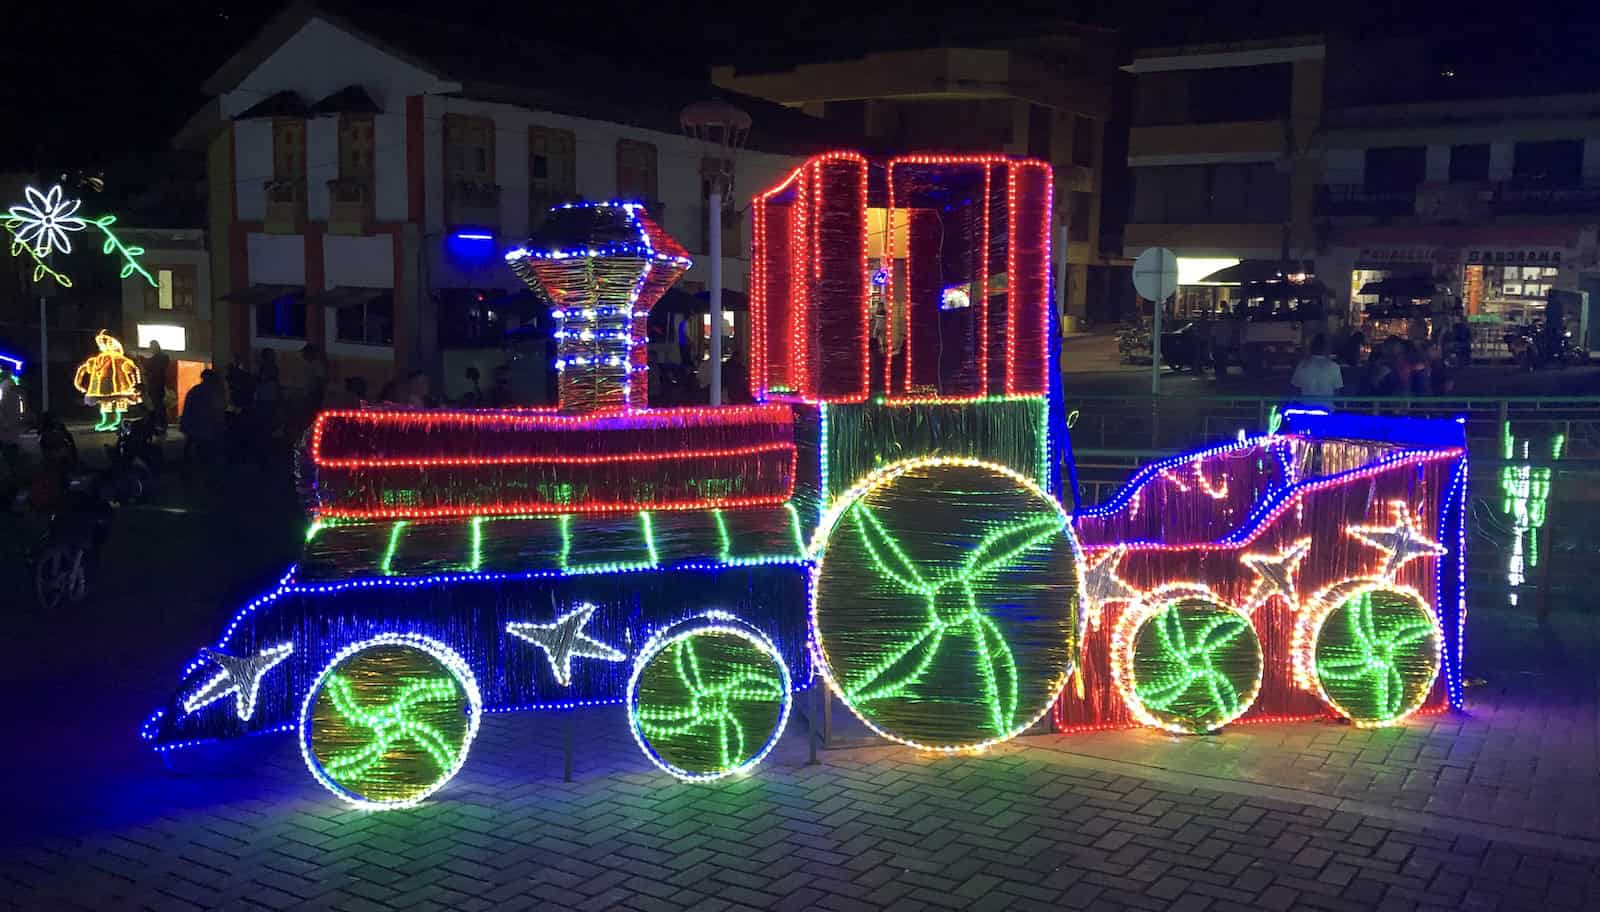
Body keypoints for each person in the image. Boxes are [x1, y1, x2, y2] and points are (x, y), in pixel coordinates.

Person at [180, 368, 226, 483]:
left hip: (196, 427)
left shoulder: (195, 391)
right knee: (205, 452)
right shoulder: (214, 392)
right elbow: (218, 411)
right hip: (206, 428)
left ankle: (191, 473)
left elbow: (188, 410)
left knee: (195, 448)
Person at [1290, 334, 1343, 405]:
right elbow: (1337, 392)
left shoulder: (1302, 365)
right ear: (1327, 348)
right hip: (1326, 408)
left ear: (1312, 348)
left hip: (1306, 407)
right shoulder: (1334, 367)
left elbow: (1295, 389)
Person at [0, 363, 23, 475]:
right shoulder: (12, 385)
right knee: (12, 448)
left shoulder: (4, 387)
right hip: (13, 423)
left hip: (5, 424)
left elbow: (2, 404)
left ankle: (11, 473)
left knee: (8, 451)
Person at [144, 339, 170, 430]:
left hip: (156, 386)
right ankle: (160, 423)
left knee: (158, 405)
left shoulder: (161, 358)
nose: (150, 349)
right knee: (157, 405)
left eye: (151, 347)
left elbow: (152, 366)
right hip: (157, 385)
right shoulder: (161, 357)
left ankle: (160, 423)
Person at [301, 344, 329, 419]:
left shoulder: (317, 365)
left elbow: (320, 381)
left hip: (314, 395)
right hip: (309, 394)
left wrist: (312, 394)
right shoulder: (308, 365)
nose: (303, 355)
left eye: (305, 353)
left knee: (312, 416)